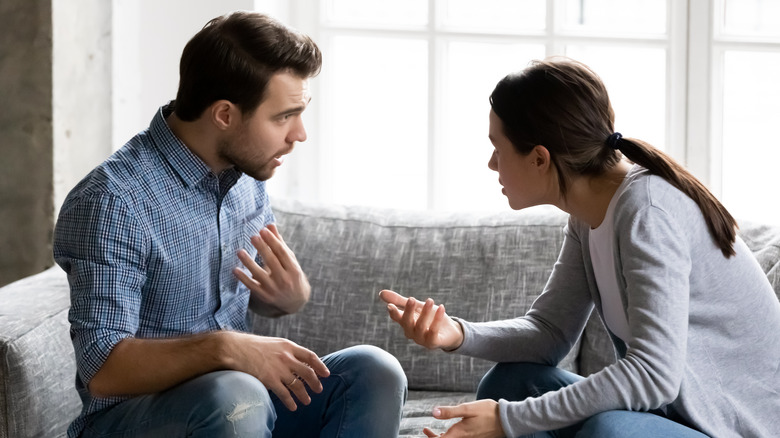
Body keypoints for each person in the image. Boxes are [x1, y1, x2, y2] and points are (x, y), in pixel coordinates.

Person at [380, 57, 780, 437]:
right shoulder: (588, 214)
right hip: (671, 419)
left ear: (539, 158)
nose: (491, 164)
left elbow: (654, 375)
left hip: (730, 429)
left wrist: (509, 419)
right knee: (511, 381)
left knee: (609, 432)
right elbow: (548, 332)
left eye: (498, 148)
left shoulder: (648, 213)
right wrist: (457, 334)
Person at [54, 11, 406, 438]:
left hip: (242, 411)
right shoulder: (112, 202)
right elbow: (102, 369)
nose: (299, 135)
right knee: (235, 395)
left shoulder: (245, 175)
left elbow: (226, 296)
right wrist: (226, 348)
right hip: (139, 420)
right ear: (224, 114)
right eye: (283, 117)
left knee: (373, 371)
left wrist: (285, 299)